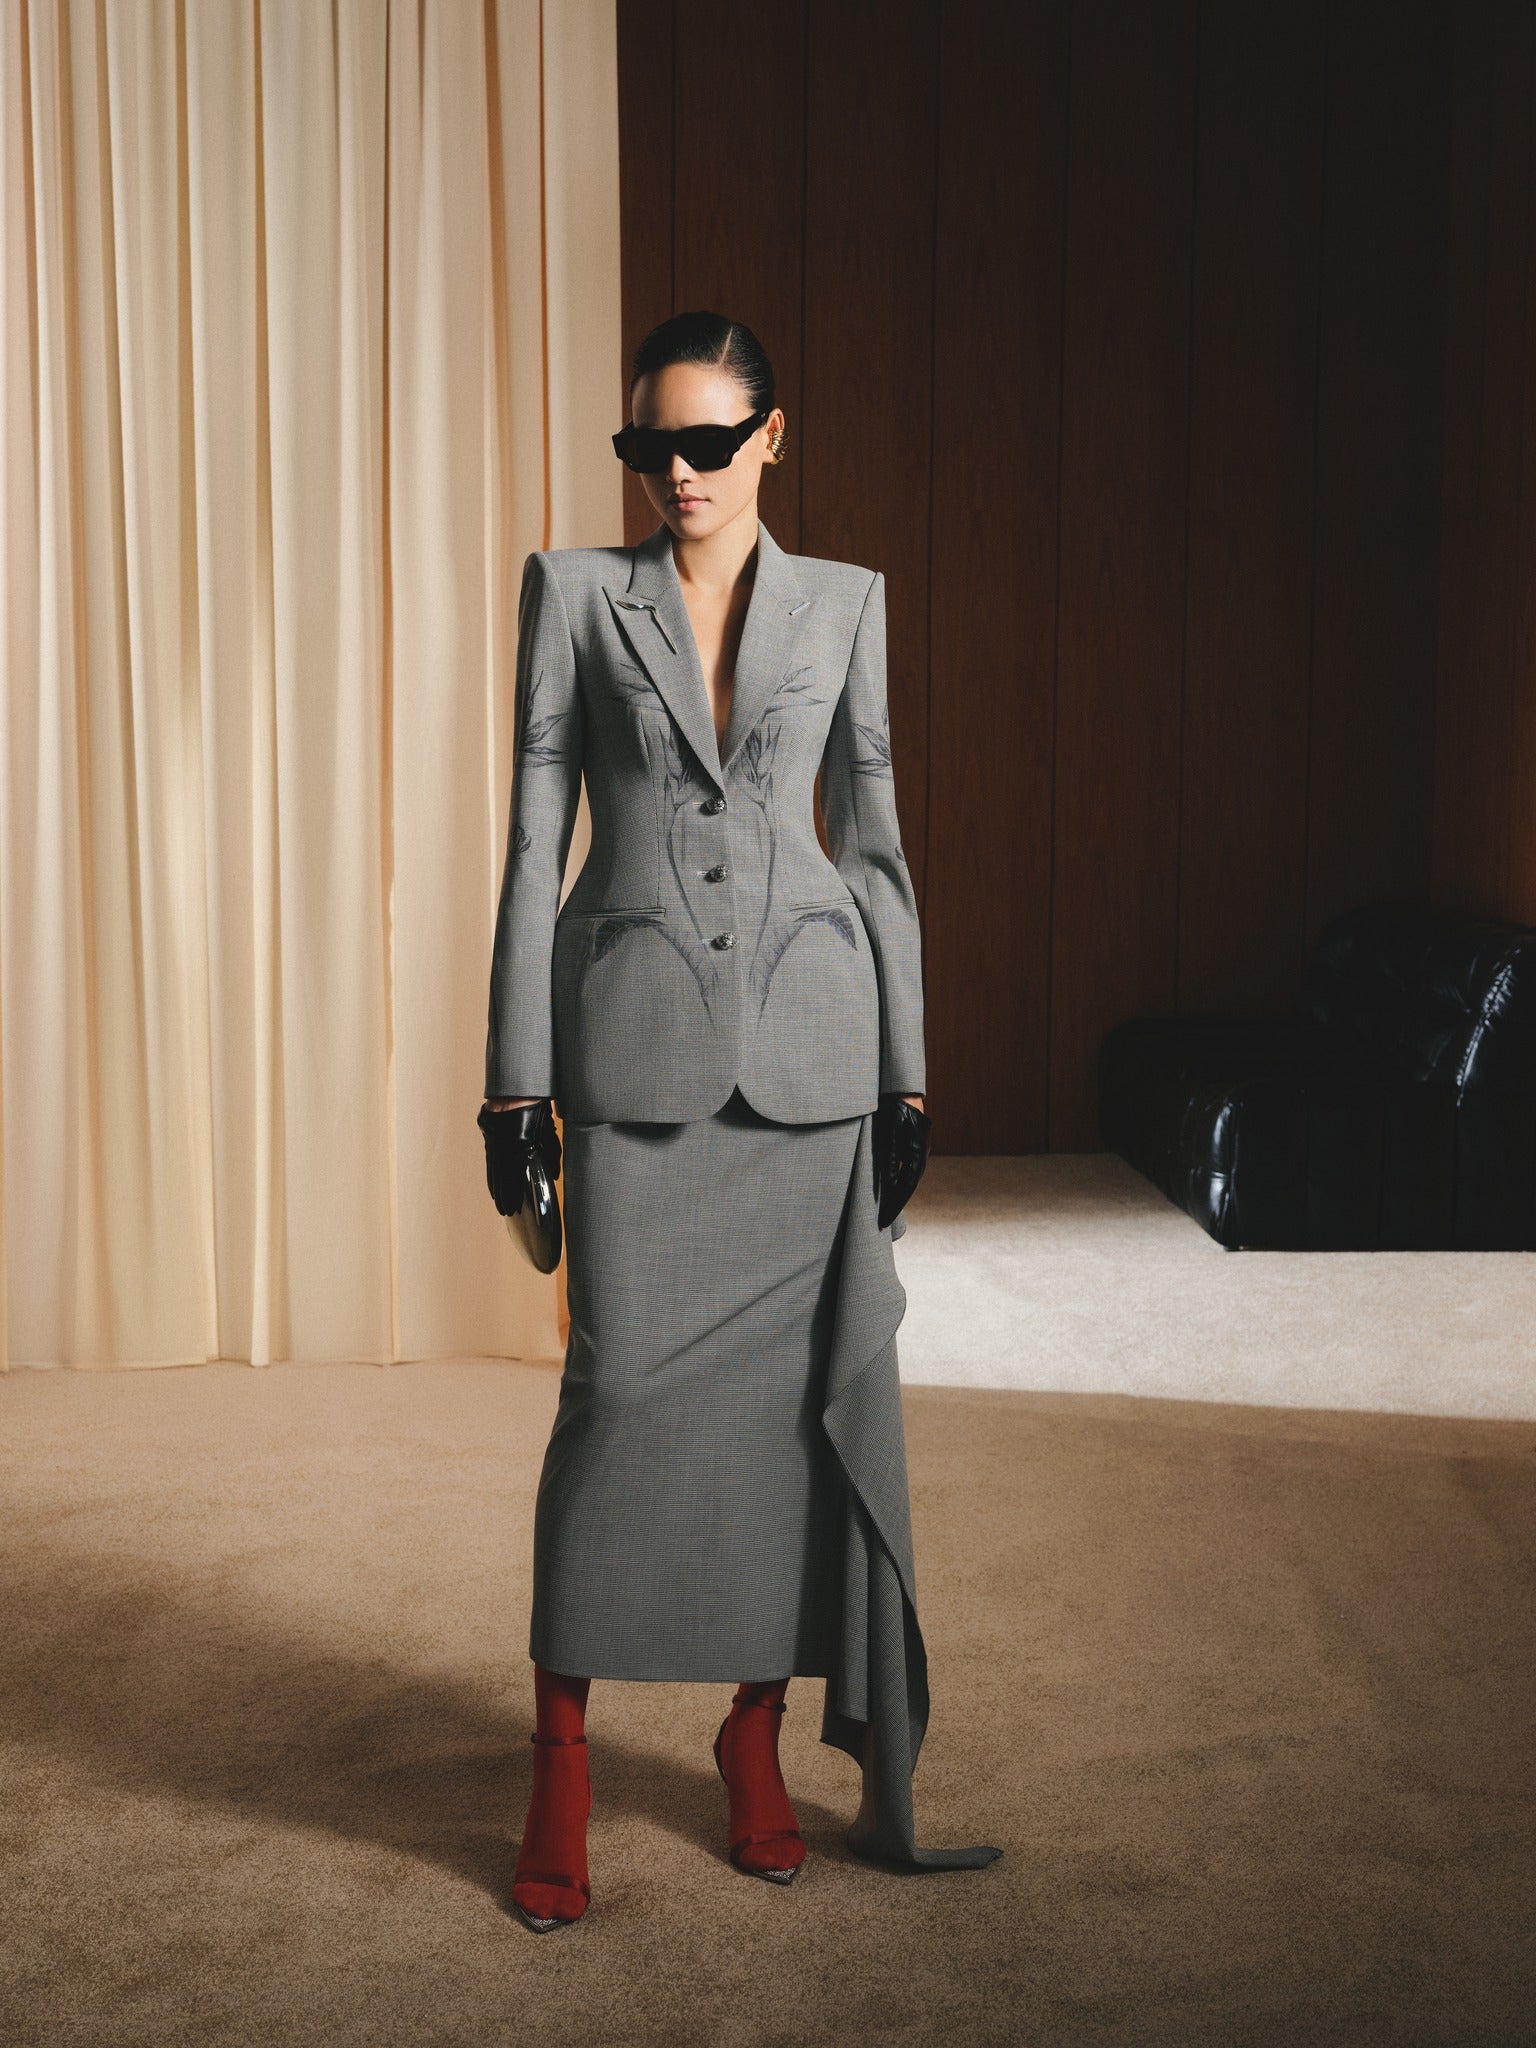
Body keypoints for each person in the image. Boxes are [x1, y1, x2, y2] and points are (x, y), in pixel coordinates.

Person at [480, 311, 1001, 1933]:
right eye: (654, 447)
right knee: (614, 1396)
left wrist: (909, 1073)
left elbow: (882, 845)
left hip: (814, 1060)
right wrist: (512, 1082)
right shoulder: (574, 596)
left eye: (711, 443)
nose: (681, 473)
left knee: (792, 1423)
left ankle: (752, 1736)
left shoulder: (848, 605)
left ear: (773, 438)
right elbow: (530, 846)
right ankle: (560, 1754)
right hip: (630, 1054)